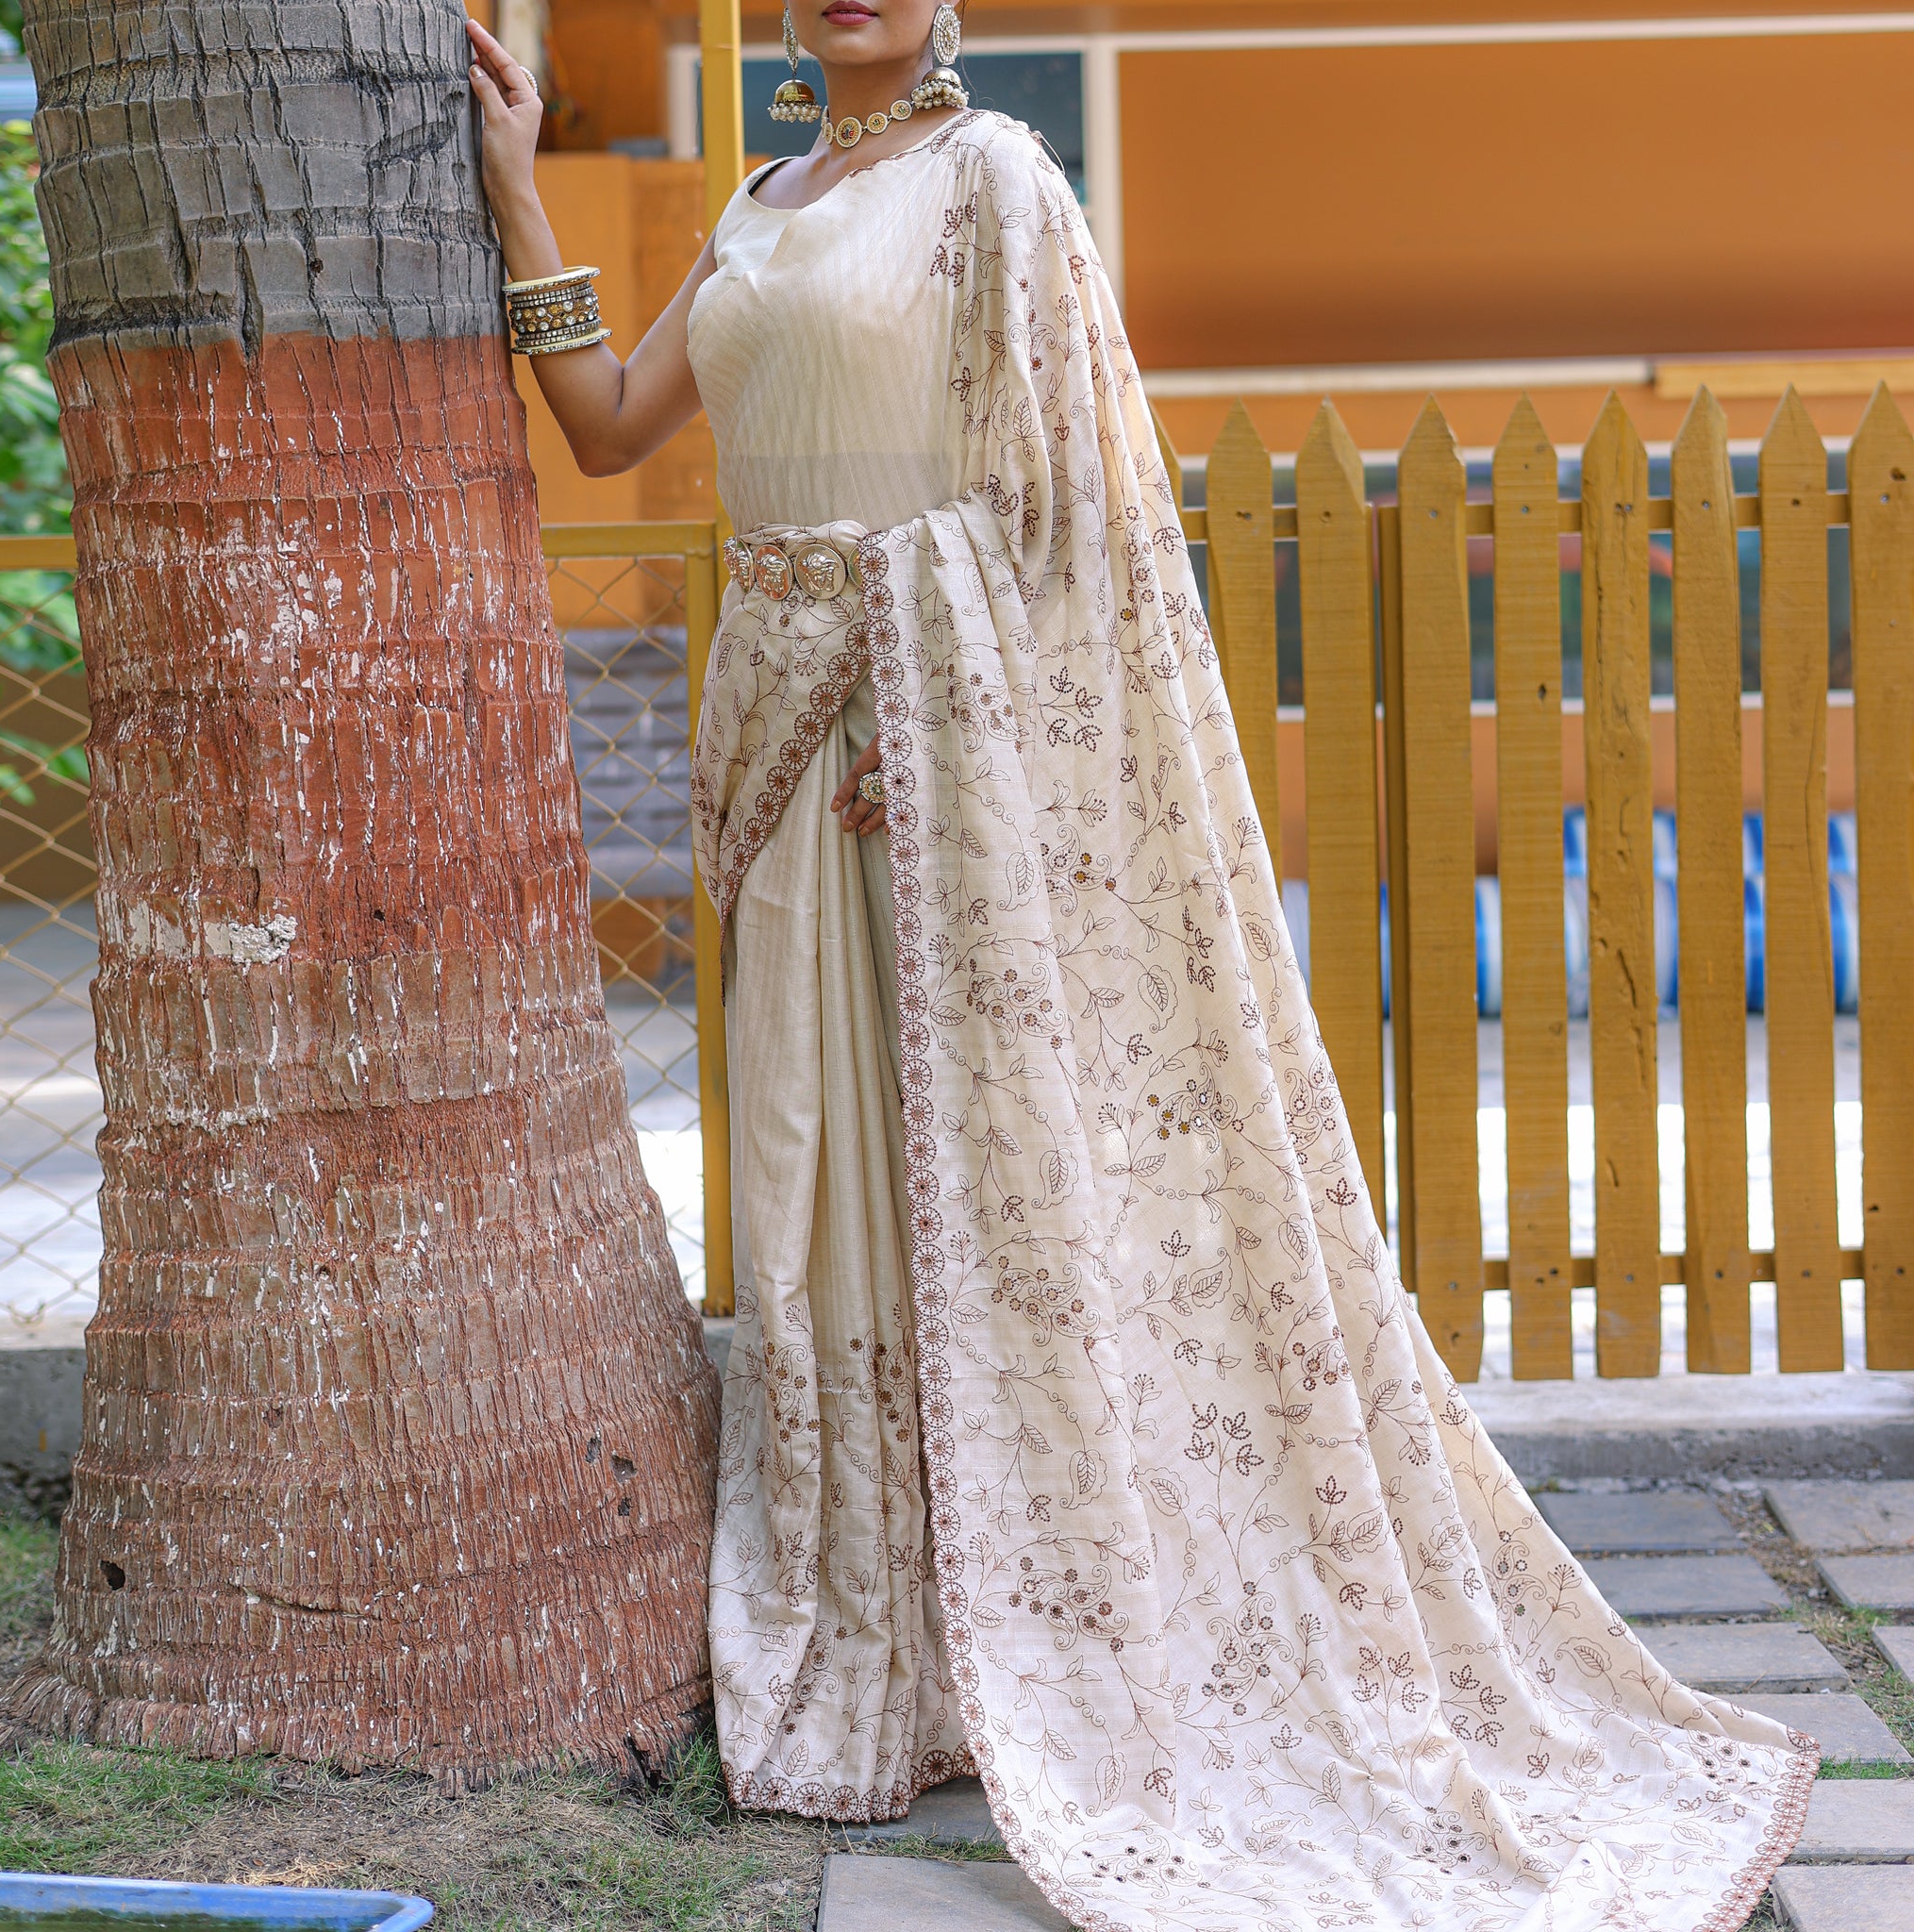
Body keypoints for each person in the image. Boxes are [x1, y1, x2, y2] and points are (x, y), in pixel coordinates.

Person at [467, 10, 1814, 1925]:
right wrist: (516, 185)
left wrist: (938, 724)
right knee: (819, 1191)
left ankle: (1062, 1623)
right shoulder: (757, 207)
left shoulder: (995, 184)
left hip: (926, 772)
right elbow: (607, 423)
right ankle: (899, 1638)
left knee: (991, 1198)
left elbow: (1064, 509)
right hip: (774, 759)